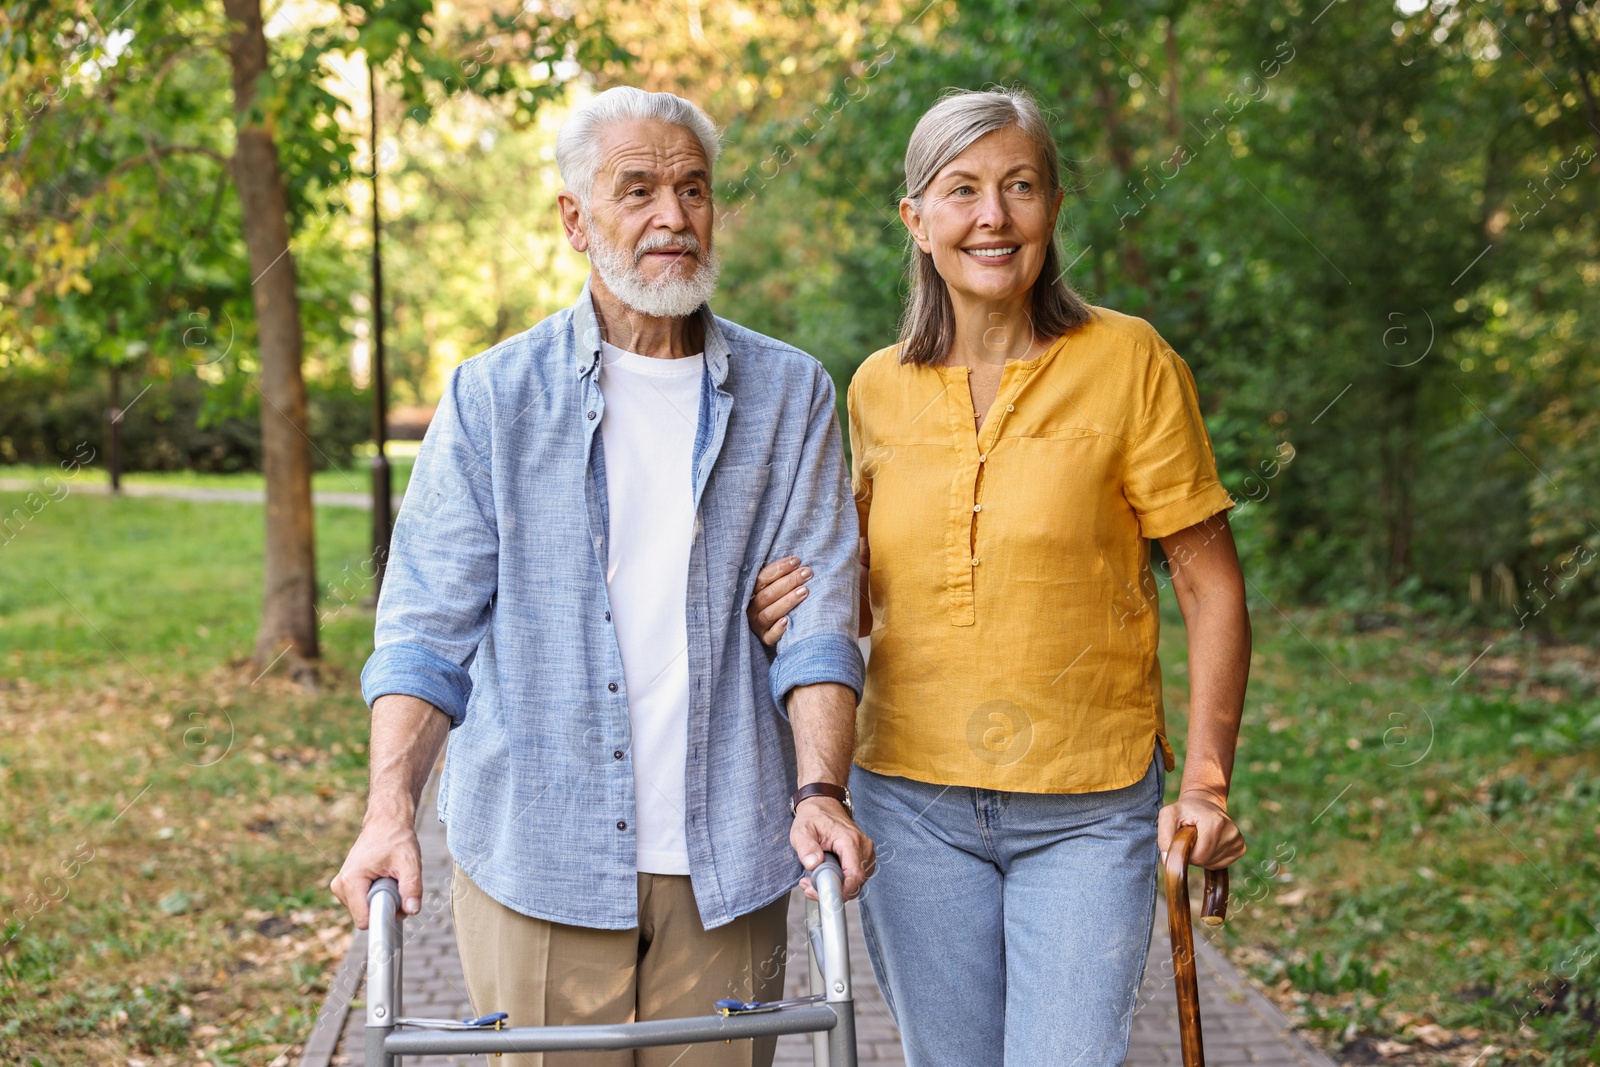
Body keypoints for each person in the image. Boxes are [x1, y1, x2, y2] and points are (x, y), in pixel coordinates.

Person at [330, 86, 874, 1067]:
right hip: (538, 854)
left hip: (730, 855)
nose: (672, 216)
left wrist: (820, 789)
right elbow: (424, 631)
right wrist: (386, 816)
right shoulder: (493, 396)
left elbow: (820, 621)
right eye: (638, 190)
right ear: (575, 220)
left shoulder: (790, 391)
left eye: (693, 189)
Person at [747, 88, 1250, 1067]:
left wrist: (1206, 785)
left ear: (1054, 207)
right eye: (962, 189)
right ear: (917, 219)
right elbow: (877, 582)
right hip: (908, 802)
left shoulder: (1129, 359)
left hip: (1087, 802)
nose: (993, 215)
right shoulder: (875, 386)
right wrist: (794, 604)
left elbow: (1210, 585)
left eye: (1019, 187)